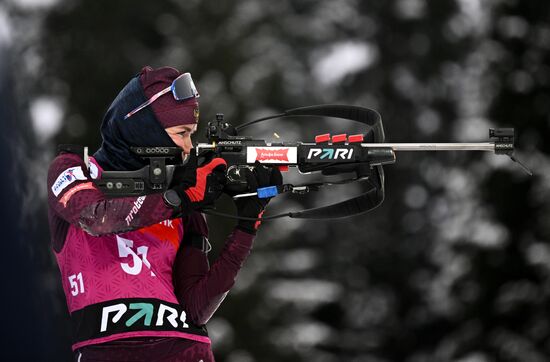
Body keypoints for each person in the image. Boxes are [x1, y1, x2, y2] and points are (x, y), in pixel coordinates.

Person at [47, 66, 282, 361]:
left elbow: (197, 308)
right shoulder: (73, 169)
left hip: (186, 350)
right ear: (145, 127)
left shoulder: (182, 197)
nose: (187, 147)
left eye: (191, 135)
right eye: (181, 133)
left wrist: (246, 225)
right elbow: (95, 217)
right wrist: (179, 196)